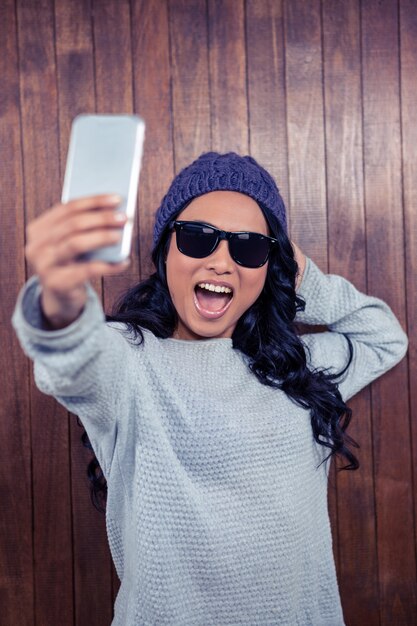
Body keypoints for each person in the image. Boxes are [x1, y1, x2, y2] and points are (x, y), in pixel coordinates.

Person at [12, 152, 407, 625]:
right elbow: (68, 360)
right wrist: (58, 295)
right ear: (164, 252)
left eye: (249, 249)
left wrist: (303, 277)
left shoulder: (299, 366)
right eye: (198, 239)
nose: (221, 262)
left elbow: (385, 336)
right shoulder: (130, 361)